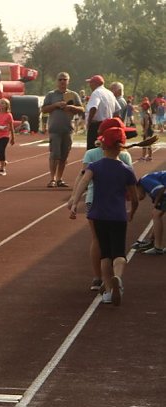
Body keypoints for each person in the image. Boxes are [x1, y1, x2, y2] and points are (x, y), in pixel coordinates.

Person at [68, 120, 138, 306]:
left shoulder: (94, 165)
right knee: (119, 253)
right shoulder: (126, 169)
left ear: (102, 143)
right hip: (118, 215)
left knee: (105, 253)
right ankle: (118, 278)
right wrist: (132, 211)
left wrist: (75, 201)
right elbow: (135, 196)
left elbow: (83, 182)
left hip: (98, 213)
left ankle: (107, 289)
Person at [41, 72, 83, 187]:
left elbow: (82, 109)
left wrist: (71, 107)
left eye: (65, 79)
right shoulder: (51, 95)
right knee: (55, 155)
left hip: (68, 129)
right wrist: (56, 105)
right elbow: (44, 109)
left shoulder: (73, 95)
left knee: (64, 155)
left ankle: (59, 178)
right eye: (60, 79)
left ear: (68, 81)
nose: (62, 81)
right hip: (55, 129)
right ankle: (52, 179)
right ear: (57, 81)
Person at [132, 171, 166, 255]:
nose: (137, 197)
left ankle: (158, 247)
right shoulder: (147, 180)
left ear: (136, 186)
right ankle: (152, 240)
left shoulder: (144, 181)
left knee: (156, 214)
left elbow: (161, 189)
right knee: (156, 214)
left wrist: (156, 202)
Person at [84, 74, 119, 150]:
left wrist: (89, 123)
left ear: (95, 83)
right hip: (108, 124)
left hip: (97, 125)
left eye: (91, 83)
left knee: (93, 149)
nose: (90, 85)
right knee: (106, 149)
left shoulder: (96, 93)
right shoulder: (110, 93)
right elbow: (117, 110)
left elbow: (93, 107)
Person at [0, 98, 15, 176]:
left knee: (1, 150)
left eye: (3, 103)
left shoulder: (9, 115)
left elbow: (11, 127)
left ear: (6, 105)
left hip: (5, 135)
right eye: (1, 103)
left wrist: (13, 138)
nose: (1, 105)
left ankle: (2, 168)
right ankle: (4, 161)